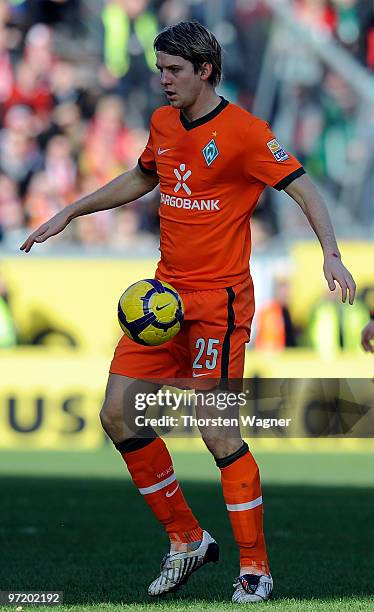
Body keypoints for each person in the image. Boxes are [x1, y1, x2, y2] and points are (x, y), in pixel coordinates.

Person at [20, 21, 356, 604]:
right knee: (117, 414)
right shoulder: (163, 124)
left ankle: (255, 568)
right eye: (160, 69)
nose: (162, 80)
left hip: (220, 304)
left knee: (216, 428)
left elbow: (304, 188)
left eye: (173, 70)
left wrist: (330, 252)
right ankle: (187, 540)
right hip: (164, 299)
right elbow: (143, 177)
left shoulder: (246, 133)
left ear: (205, 71)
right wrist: (73, 211)